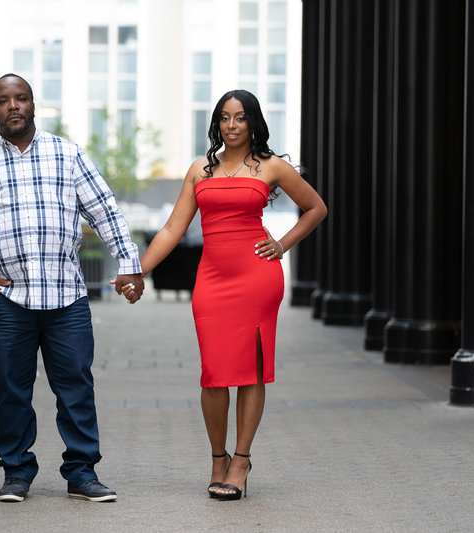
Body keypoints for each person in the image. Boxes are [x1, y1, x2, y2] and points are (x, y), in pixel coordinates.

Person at [0, 73, 143, 503]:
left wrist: (130, 266)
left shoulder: (67, 155)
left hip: (65, 297)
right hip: (7, 300)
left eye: (21, 98)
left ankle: (82, 473)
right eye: (3, 100)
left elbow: (105, 211)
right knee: (10, 389)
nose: (13, 106)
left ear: (34, 105)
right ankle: (16, 472)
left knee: (75, 385)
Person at [130, 89, 326, 500]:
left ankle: (240, 460)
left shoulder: (271, 167)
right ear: (217, 123)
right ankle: (217, 458)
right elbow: (171, 229)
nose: (232, 125)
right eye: (224, 117)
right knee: (215, 372)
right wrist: (138, 270)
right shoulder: (200, 169)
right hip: (212, 280)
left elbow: (316, 208)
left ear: (253, 122)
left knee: (251, 370)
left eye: (240, 117)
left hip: (258, 277)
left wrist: (283, 244)